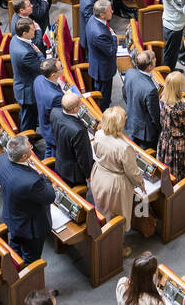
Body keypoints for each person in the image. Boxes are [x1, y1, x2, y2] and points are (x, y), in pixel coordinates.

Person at [89, 106, 145, 243]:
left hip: (99, 175)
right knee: (118, 217)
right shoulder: (123, 147)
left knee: (103, 209)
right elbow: (132, 171)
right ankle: (116, 247)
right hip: (115, 184)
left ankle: (104, 237)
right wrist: (141, 183)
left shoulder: (99, 134)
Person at [0, 134, 54, 263]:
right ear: (23, 157)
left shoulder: (2, 159)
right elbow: (50, 196)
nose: (32, 150)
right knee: (31, 259)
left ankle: (15, 270)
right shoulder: (31, 182)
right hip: (30, 228)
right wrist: (42, 176)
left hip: (11, 216)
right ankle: (28, 280)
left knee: (15, 247)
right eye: (30, 148)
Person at [50, 92, 93, 187]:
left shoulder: (54, 112)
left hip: (61, 162)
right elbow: (83, 157)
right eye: (80, 104)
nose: (82, 105)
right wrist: (88, 174)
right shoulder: (79, 130)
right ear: (75, 109)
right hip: (74, 173)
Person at [123, 49, 161, 150]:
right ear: (149, 67)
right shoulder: (151, 90)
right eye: (154, 59)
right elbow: (154, 115)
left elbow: (125, 95)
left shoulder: (130, 73)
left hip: (132, 120)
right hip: (146, 131)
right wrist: (160, 129)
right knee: (146, 155)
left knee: (133, 147)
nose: (155, 59)